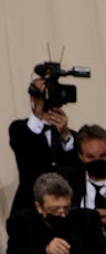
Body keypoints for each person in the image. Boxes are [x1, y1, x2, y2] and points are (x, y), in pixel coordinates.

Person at [8, 73, 77, 216]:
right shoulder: (19, 129)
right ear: (33, 96)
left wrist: (65, 135)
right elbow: (25, 152)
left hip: (62, 210)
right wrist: (37, 114)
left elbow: (75, 167)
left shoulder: (71, 136)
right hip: (28, 209)